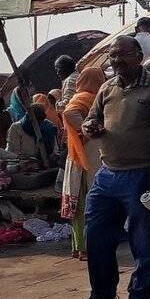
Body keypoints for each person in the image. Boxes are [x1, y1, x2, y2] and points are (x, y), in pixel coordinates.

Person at [69, 36, 150, 299]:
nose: (116, 61)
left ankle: (139, 298)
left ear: (139, 55)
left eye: (122, 55)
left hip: (142, 174)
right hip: (108, 174)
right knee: (98, 237)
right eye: (112, 56)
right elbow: (92, 121)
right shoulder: (107, 88)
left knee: (143, 241)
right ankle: (103, 297)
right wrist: (91, 127)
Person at [59, 69, 104, 259]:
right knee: (87, 202)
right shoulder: (85, 97)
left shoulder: (90, 97)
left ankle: (79, 246)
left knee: (82, 203)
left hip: (79, 155)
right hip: (85, 156)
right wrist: (89, 128)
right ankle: (85, 246)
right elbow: (69, 113)